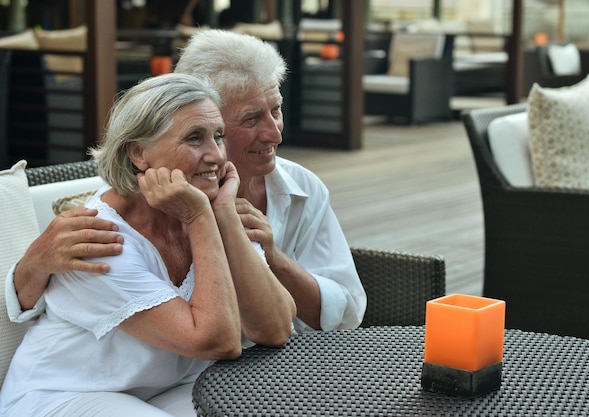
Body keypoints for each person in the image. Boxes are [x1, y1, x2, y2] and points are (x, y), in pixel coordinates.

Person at [8, 29, 366, 333]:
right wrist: (31, 266)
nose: (275, 133)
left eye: (276, 110)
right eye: (252, 118)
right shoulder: (146, 204)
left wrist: (274, 257)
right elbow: (71, 302)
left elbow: (346, 313)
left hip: (289, 366)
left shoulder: (301, 186)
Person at [0, 73, 296, 417]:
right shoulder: (96, 236)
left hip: (166, 389)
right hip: (65, 396)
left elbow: (277, 328)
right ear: (139, 153)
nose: (216, 155)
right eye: (194, 138)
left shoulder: (207, 206)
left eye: (218, 136)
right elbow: (218, 342)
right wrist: (200, 218)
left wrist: (224, 216)